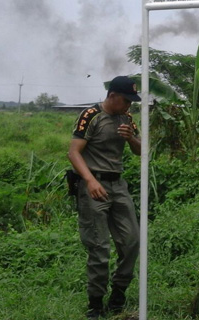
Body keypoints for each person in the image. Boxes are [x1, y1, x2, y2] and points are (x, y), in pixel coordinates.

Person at [67, 75, 142, 319]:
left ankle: (118, 294)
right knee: (99, 248)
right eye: (126, 100)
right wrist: (89, 181)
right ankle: (95, 305)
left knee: (131, 241)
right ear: (112, 96)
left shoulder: (127, 118)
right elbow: (74, 152)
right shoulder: (90, 115)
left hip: (118, 185)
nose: (129, 105)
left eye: (132, 102)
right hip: (93, 186)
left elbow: (142, 150)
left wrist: (131, 137)